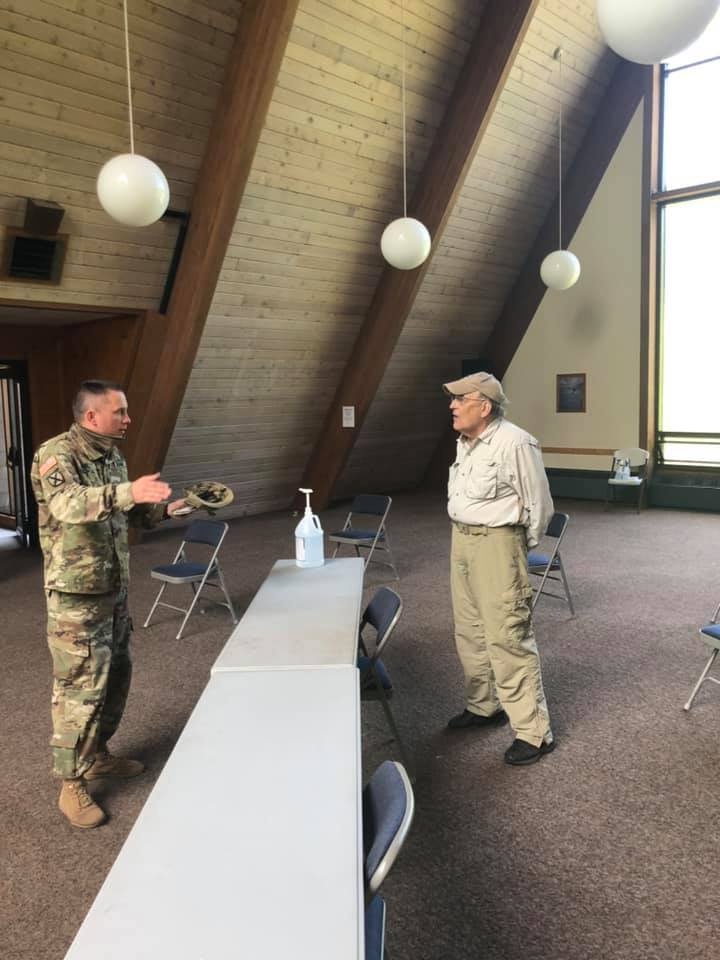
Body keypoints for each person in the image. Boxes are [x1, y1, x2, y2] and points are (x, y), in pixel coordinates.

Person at [31, 379, 186, 828]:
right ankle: (71, 783)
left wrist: (170, 509)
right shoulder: (55, 453)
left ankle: (97, 755)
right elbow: (67, 504)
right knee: (79, 687)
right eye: (118, 411)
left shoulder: (111, 456)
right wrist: (128, 492)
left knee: (116, 675)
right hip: (76, 597)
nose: (127, 418)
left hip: (112, 588)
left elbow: (129, 512)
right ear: (91, 416)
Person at [443, 371, 555, 765]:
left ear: (484, 406)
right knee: (470, 630)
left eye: (461, 399)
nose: (452, 406)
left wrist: (513, 550)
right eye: (453, 400)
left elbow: (539, 506)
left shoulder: (515, 442)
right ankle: (484, 705)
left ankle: (534, 732)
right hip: (461, 540)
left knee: (507, 633)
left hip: (497, 544)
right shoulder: (466, 443)